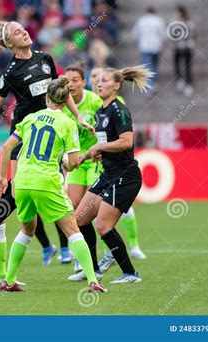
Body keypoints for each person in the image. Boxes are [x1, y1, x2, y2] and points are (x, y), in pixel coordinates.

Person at [0, 18, 94, 269]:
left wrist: (78, 118)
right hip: (24, 132)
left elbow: (60, 90)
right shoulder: (11, 73)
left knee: (27, 190)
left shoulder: (44, 58)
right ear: (9, 42)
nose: (24, 31)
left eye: (22, 28)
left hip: (48, 129)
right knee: (15, 190)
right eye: (16, 31)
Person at [0, 77, 106, 293]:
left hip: (22, 181)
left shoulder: (31, 118)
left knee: (26, 231)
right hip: (46, 180)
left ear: (46, 98)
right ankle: (93, 280)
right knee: (73, 229)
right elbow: (73, 163)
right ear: (65, 102)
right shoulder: (67, 123)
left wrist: (1, 177)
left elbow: (7, 146)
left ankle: (8, 280)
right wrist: (65, 162)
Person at [70, 65, 153, 284]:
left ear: (117, 86)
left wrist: (98, 149)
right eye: (97, 80)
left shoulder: (119, 110)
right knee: (79, 219)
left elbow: (126, 142)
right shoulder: (100, 112)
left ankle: (130, 273)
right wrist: (92, 154)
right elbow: (105, 144)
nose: (99, 83)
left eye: (105, 80)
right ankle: (94, 269)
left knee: (103, 226)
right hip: (108, 174)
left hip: (125, 176)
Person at [131, 6, 165, 93]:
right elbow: (163, 35)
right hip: (156, 46)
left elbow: (135, 34)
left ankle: (150, 87)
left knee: (148, 67)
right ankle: (154, 84)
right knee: (155, 65)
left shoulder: (141, 20)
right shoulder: (159, 20)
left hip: (145, 46)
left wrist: (138, 40)